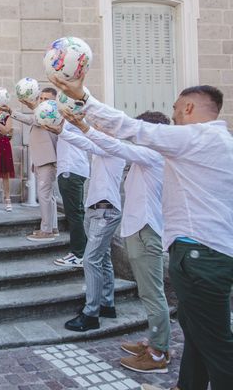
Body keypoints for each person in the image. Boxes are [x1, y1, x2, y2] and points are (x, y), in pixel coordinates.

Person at [51, 75, 233, 390]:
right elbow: (116, 143)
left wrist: (84, 98)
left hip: (200, 255)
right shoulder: (214, 144)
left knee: (216, 343)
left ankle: (162, 355)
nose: (174, 115)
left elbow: (131, 129)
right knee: (194, 328)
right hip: (198, 251)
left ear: (188, 107)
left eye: (176, 109)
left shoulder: (195, 138)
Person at [78, 110, 171, 373]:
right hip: (137, 230)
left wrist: (81, 124)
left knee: (153, 294)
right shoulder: (146, 156)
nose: (134, 134)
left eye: (139, 129)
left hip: (145, 231)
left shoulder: (153, 154)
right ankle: (155, 341)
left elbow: (114, 146)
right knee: (147, 292)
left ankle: (157, 353)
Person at [46, 116, 125, 332]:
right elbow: (83, 142)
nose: (96, 127)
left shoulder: (112, 147)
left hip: (105, 211)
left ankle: (91, 314)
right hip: (96, 209)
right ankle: (107, 303)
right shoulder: (102, 147)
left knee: (90, 261)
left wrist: (64, 129)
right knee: (104, 258)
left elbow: (84, 140)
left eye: (101, 126)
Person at [2, 88, 59, 241]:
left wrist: (12, 112)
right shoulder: (42, 114)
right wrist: (35, 161)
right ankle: (53, 227)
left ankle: (46, 230)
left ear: (54, 101)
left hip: (48, 159)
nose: (42, 101)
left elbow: (31, 120)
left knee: (44, 195)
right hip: (42, 159)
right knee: (49, 196)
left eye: (47, 99)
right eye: (41, 98)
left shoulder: (50, 114)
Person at [52, 121, 90, 268]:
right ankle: (80, 251)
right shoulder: (70, 119)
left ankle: (79, 254)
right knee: (76, 213)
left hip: (71, 170)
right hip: (72, 169)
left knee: (74, 214)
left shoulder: (70, 120)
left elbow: (48, 122)